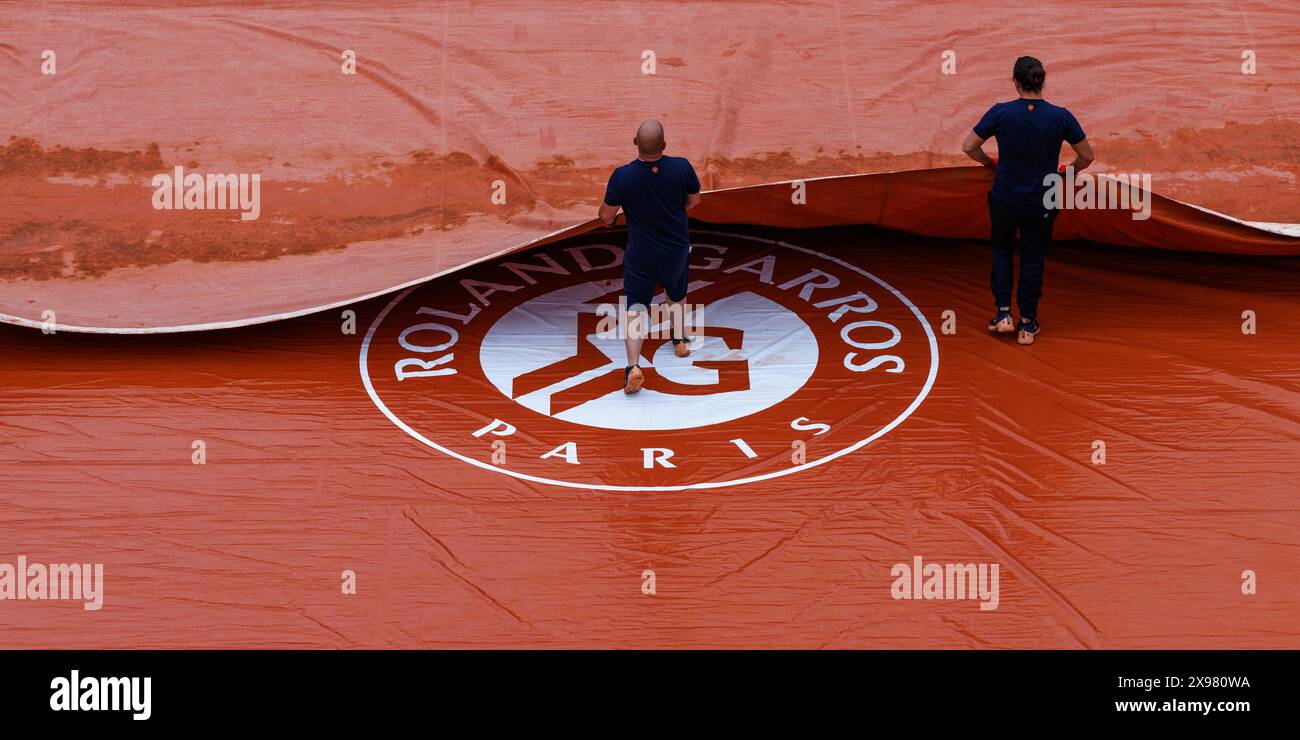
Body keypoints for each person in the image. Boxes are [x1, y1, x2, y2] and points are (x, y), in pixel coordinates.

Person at [962, 56, 1094, 345]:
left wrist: (988, 163)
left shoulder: (1001, 113)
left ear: (1015, 82)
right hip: (1043, 200)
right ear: (1042, 81)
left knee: (1001, 252)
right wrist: (1066, 173)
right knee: (1033, 259)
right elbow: (1087, 156)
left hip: (1005, 197)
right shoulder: (1061, 116)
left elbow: (969, 146)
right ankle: (1027, 324)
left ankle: (1003, 315)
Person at [598, 119, 702, 393]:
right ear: (664, 145)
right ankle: (680, 340)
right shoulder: (681, 167)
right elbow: (694, 201)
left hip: (641, 254)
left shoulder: (622, 176)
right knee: (677, 293)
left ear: (635, 143)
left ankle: (633, 366)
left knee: (635, 309)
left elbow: (606, 216)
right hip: (675, 249)